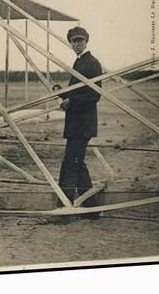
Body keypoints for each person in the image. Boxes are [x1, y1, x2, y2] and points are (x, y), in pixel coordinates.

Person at [54, 26, 102, 219]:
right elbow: (77, 92)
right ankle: (91, 208)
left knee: (70, 164)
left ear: (86, 41)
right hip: (77, 124)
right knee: (77, 163)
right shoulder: (80, 62)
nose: (76, 44)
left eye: (80, 40)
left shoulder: (91, 63)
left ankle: (63, 209)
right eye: (73, 41)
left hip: (83, 124)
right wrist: (61, 91)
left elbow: (94, 95)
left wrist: (71, 101)